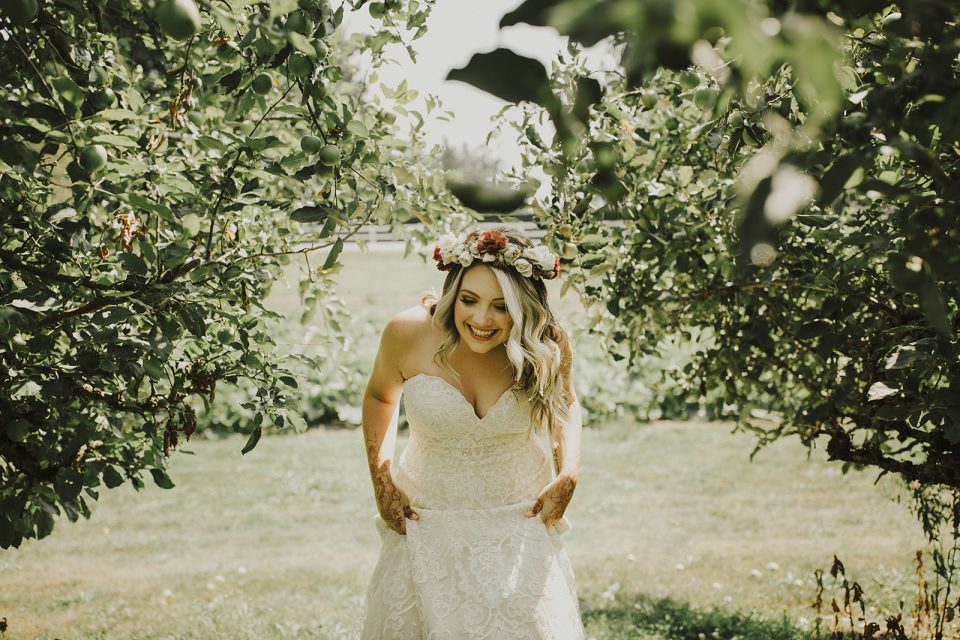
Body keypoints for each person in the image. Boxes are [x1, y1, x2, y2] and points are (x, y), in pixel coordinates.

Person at [351, 228, 586, 638]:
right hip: (425, 521)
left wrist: (569, 473)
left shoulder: (546, 344)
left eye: (501, 306)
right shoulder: (406, 333)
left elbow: (565, 405)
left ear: (524, 306)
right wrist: (381, 479)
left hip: (519, 522)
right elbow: (379, 397)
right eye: (469, 300)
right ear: (452, 293)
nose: (481, 319)